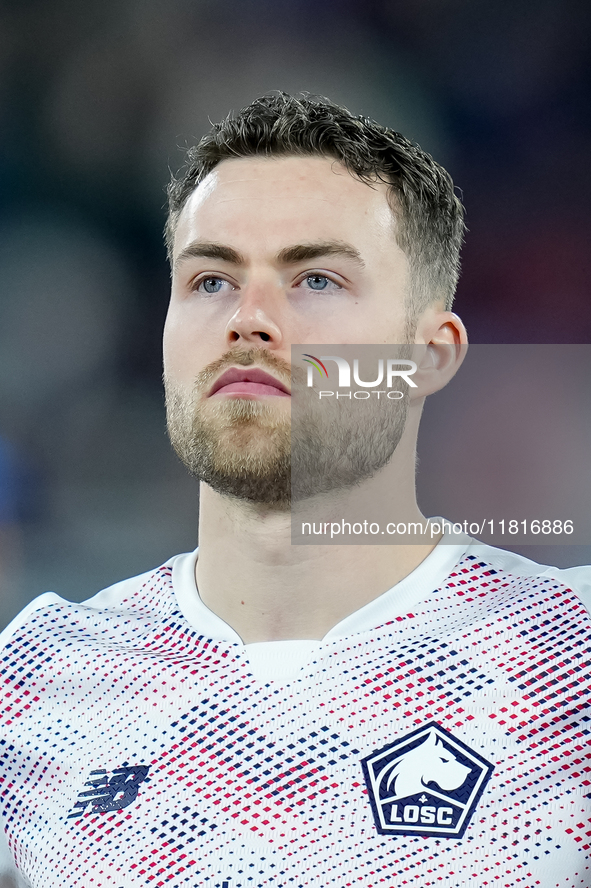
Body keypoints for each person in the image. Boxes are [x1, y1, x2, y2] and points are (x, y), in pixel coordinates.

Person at [0, 93, 590, 888]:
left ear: (432, 354)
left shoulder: (568, 659)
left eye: (313, 279)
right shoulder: (35, 679)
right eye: (209, 280)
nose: (250, 319)